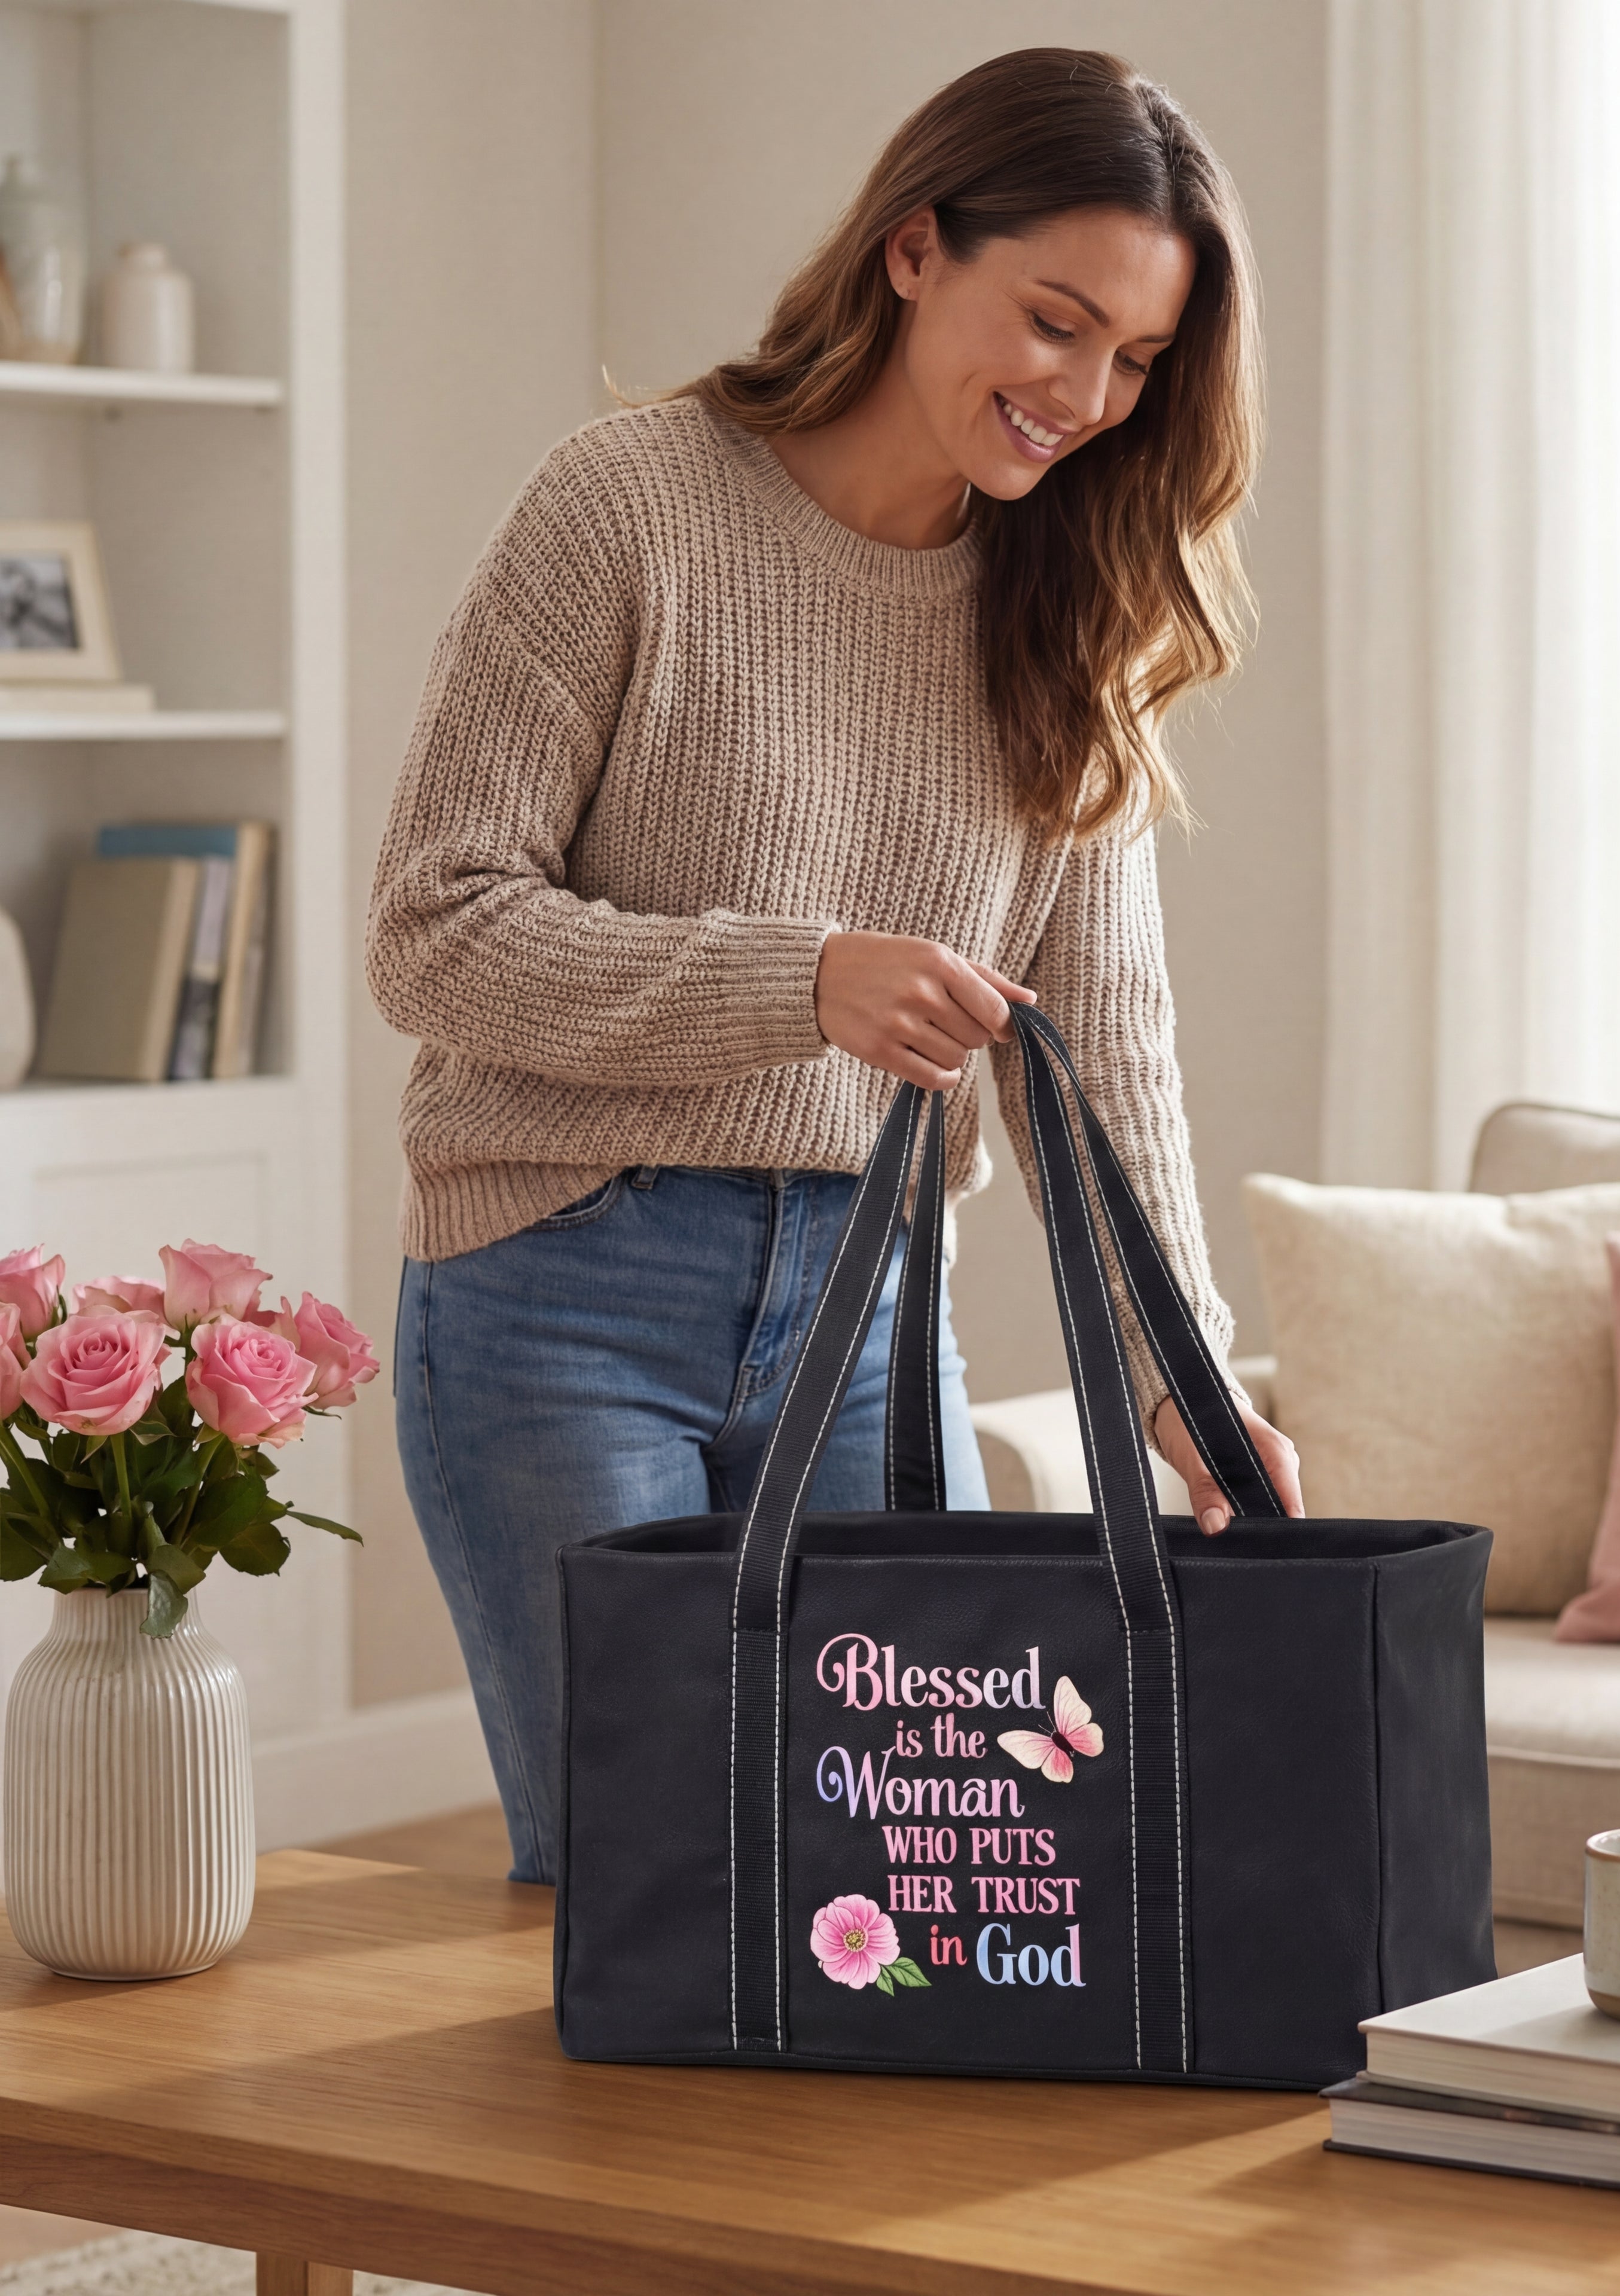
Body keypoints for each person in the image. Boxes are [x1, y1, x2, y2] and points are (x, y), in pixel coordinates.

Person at [366, 48, 1304, 1885]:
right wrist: (797, 983)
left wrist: (1187, 1375)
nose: (1085, 396)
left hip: (872, 1313)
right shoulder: (630, 509)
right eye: (1054, 322)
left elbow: (1104, 1060)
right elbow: (433, 927)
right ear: (911, 248)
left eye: (1135, 363)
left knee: (896, 1886)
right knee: (652, 1880)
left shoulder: (1072, 615)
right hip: (564, 1294)